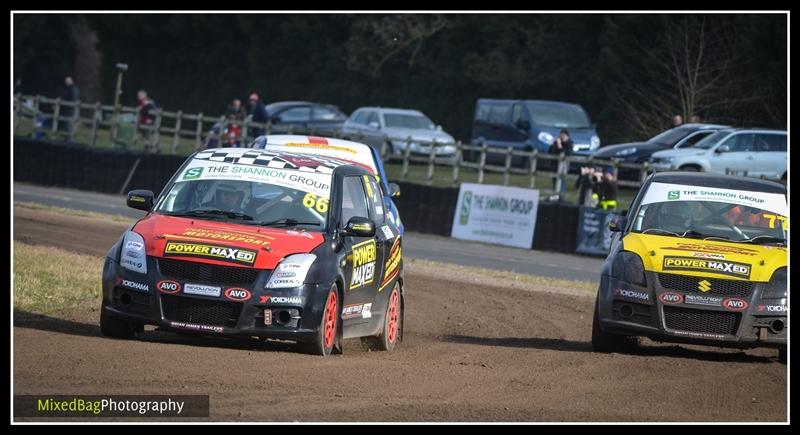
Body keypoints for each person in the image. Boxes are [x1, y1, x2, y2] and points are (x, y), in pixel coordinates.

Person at [548, 129, 573, 193]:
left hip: (564, 165)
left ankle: (561, 194)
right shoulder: (557, 142)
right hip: (555, 164)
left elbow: (566, 153)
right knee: (555, 179)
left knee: (562, 179)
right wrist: (553, 144)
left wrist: (560, 146)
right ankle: (554, 192)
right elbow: (550, 151)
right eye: (561, 135)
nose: (562, 137)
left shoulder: (569, 143)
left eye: (564, 136)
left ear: (567, 136)